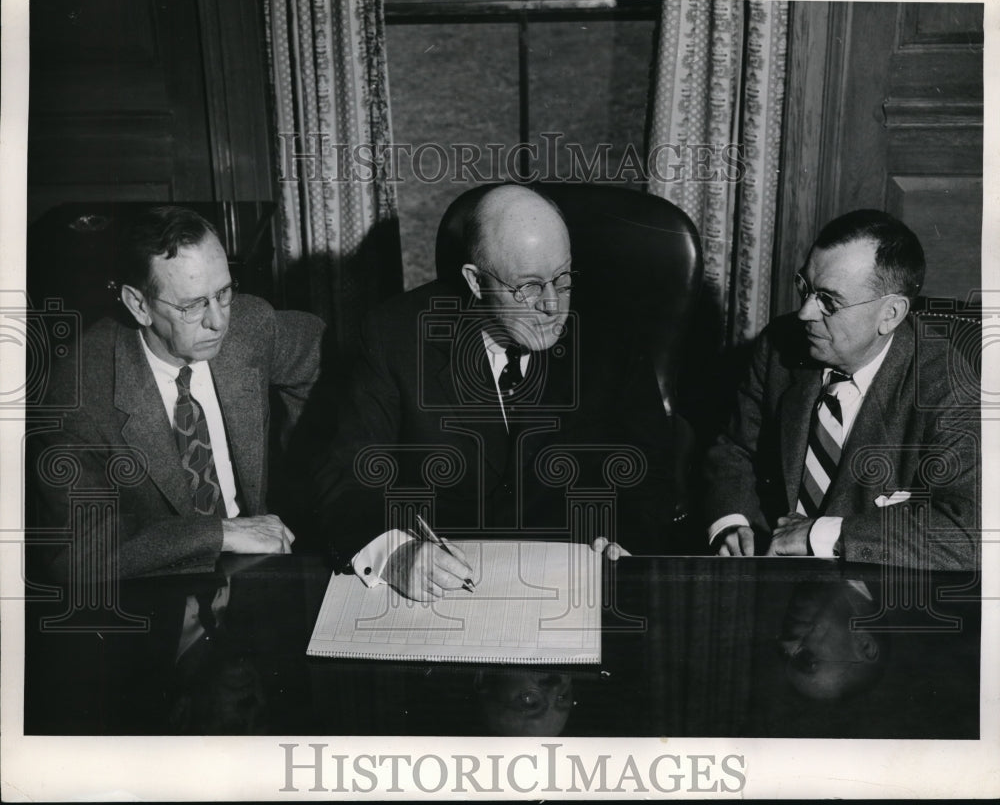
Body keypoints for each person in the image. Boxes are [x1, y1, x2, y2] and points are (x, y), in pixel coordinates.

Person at [307, 184, 679, 601]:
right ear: (476, 281)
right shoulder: (394, 335)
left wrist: (626, 540)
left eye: (563, 278)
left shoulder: (611, 335)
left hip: (576, 585)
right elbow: (345, 475)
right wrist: (397, 555)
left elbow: (651, 469)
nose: (553, 306)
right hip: (440, 591)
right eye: (529, 287)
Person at [30, 206, 325, 582]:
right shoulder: (76, 389)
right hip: (155, 590)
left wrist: (308, 468)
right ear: (139, 305)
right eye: (191, 305)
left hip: (261, 566)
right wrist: (221, 533)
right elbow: (74, 550)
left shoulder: (252, 327)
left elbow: (322, 354)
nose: (218, 321)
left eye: (223, 293)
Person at [704, 209, 978, 570]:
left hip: (872, 604)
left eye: (829, 302)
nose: (804, 313)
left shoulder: (948, 387)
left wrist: (819, 535)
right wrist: (731, 521)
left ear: (891, 314)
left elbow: (972, 532)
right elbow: (736, 449)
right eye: (805, 288)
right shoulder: (780, 345)